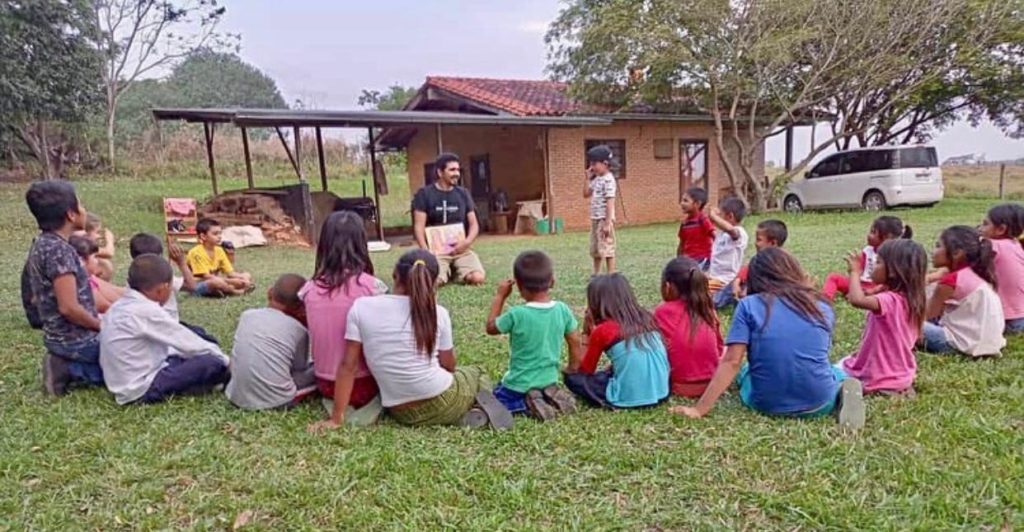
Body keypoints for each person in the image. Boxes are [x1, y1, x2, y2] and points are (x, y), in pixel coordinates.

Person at [310, 250, 513, 431]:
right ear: (433, 282)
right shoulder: (437, 313)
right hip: (441, 399)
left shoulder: (361, 307)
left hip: (401, 413)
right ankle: (472, 411)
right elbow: (449, 366)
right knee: (477, 373)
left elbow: (348, 366)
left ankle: (463, 416)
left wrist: (336, 419)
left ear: (394, 275)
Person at [671, 248, 865, 430]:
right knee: (835, 371)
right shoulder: (821, 306)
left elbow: (732, 362)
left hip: (766, 403)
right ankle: (840, 390)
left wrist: (699, 409)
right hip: (820, 402)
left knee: (745, 372)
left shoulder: (748, 306)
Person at [99, 254, 229, 405]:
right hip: (139, 389)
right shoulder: (145, 311)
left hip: (128, 377)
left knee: (199, 338)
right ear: (163, 289)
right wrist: (227, 361)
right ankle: (204, 383)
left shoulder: (119, 306)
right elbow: (186, 342)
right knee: (212, 362)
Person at [300, 211, 388, 421]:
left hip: (324, 383)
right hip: (365, 384)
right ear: (361, 243)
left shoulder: (308, 290)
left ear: (324, 245)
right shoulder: (372, 288)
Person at [25, 181, 105, 395]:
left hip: (59, 338)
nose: (84, 209)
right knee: (136, 359)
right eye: (80, 205)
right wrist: (101, 326)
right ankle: (68, 368)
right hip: (76, 340)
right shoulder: (60, 251)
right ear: (71, 214)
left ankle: (64, 363)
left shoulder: (43, 244)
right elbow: (68, 308)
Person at [486, 250, 581, 420]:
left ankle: (527, 404)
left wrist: (500, 296)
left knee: (495, 397)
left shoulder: (517, 314)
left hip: (518, 384)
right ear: (552, 281)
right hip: (549, 379)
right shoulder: (562, 309)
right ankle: (546, 396)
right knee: (541, 388)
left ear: (519, 286)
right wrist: (572, 368)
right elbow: (575, 340)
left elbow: (491, 327)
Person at [564, 273, 670, 409]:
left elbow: (585, 370)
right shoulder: (648, 318)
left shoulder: (603, 331)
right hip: (661, 391)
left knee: (573, 379)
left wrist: (586, 334)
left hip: (629, 397)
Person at [838, 239, 927, 395]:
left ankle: (845, 394)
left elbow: (856, 300)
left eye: (878, 262)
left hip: (875, 375)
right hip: (901, 374)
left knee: (830, 372)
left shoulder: (889, 300)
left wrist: (854, 272)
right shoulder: (913, 299)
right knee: (849, 359)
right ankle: (895, 390)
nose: (872, 266)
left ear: (892, 272)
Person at [226, 273, 317, 410]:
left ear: (270, 292)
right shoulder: (299, 330)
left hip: (234, 395)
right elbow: (299, 369)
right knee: (319, 371)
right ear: (301, 307)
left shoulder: (247, 315)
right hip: (277, 400)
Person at [922, 226, 1005, 356]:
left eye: (938, 246)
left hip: (962, 345)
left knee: (907, 324)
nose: (933, 251)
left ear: (956, 253)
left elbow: (928, 314)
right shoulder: (976, 272)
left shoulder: (950, 281)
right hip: (989, 341)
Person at [129, 233, 218, 345]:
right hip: (168, 328)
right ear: (160, 256)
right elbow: (193, 286)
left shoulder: (133, 278)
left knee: (199, 333)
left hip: (162, 327)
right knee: (207, 341)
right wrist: (182, 263)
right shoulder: (161, 275)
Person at [411, 153, 486, 286]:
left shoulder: (463, 194)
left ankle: (456, 271)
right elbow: (418, 226)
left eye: (458, 170)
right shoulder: (424, 194)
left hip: (461, 249)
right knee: (433, 282)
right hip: (436, 251)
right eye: (452, 170)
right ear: (440, 172)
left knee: (477, 278)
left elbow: (474, 224)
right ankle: (444, 272)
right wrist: (426, 252)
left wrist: (467, 242)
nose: (456, 173)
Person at [655, 257, 723, 398]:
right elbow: (719, 347)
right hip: (712, 382)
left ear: (668, 286)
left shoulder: (663, 311)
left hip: (678, 385)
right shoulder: (708, 309)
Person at [823, 216, 912, 301]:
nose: (868, 235)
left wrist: (873, 291)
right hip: (861, 284)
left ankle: (862, 295)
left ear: (886, 237)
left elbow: (892, 281)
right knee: (833, 277)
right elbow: (859, 271)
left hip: (879, 287)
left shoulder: (893, 255)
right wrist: (854, 268)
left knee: (893, 289)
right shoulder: (868, 250)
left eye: (873, 232)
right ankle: (825, 299)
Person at [719, 219, 787, 308]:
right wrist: (737, 280)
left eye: (759, 240)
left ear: (773, 243)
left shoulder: (780, 264)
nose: (755, 243)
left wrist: (747, 292)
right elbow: (747, 268)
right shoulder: (758, 260)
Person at [979, 203, 1024, 334]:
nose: (981, 228)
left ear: (1000, 229)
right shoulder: (1016, 245)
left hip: (1006, 320)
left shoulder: (993, 246)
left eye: (985, 224)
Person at [186, 218, 253, 297]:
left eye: (220, 234)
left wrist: (242, 278)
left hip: (217, 280)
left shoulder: (219, 250)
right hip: (197, 285)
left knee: (246, 275)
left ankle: (221, 290)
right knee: (216, 282)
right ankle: (235, 292)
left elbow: (230, 273)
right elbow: (206, 276)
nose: (219, 237)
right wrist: (233, 282)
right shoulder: (196, 252)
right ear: (203, 236)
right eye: (215, 234)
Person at [707, 197, 750, 308]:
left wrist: (713, 216)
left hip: (726, 281)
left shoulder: (739, 232)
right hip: (716, 279)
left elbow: (732, 231)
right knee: (694, 290)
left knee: (707, 300)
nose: (717, 219)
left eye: (720, 215)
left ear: (730, 216)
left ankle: (733, 295)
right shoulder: (722, 234)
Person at [583, 145, 618, 275]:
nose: (591, 167)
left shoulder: (609, 180)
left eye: (594, 163)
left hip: (604, 218)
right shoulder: (597, 179)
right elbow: (586, 194)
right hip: (595, 218)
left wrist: (608, 223)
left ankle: (611, 274)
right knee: (596, 248)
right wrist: (587, 178)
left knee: (607, 247)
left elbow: (610, 202)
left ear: (605, 163)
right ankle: (596, 273)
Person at [69, 235, 124, 314]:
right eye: (94, 257)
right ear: (83, 261)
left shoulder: (90, 278)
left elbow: (113, 290)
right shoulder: (82, 284)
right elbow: (105, 307)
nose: (97, 261)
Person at [676, 187, 715, 268]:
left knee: (696, 278)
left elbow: (714, 235)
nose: (682, 203)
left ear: (697, 204)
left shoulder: (702, 219)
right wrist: (678, 260)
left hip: (702, 258)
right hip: (688, 259)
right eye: (682, 200)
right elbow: (682, 243)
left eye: (685, 201)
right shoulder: (684, 223)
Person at [76, 212, 115, 281]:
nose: (98, 236)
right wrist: (109, 239)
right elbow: (109, 253)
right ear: (86, 234)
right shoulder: (82, 246)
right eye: (97, 232)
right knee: (104, 265)